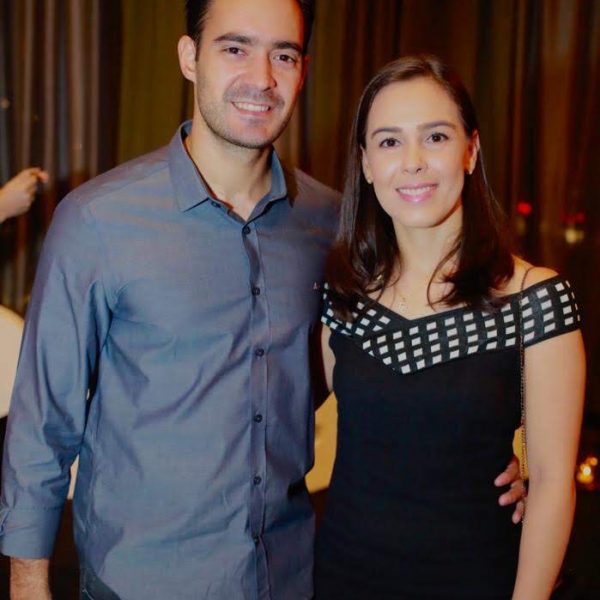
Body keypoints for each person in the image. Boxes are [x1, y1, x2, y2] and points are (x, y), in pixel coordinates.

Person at [0, 3, 523, 598]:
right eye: (235, 48)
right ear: (189, 57)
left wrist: (521, 454)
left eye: (284, 55)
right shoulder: (99, 221)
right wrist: (27, 583)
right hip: (140, 581)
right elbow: (43, 422)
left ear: (303, 71)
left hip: (291, 576)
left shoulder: (333, 224)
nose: (262, 77)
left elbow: (415, 347)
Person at [314, 55, 586, 599]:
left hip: (476, 579)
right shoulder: (342, 298)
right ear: (366, 163)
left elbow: (554, 485)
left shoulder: (535, 300)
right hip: (342, 576)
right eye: (389, 142)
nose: (412, 162)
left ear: (471, 150)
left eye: (435, 137)